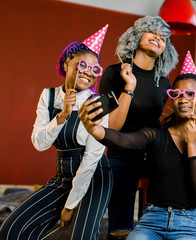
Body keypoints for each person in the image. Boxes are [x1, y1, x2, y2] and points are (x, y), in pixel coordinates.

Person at [79, 69, 196, 240]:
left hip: (187, 224)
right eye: (177, 94)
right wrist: (95, 129)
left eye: (190, 94)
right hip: (151, 220)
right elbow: (124, 141)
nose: (183, 99)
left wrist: (192, 143)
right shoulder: (156, 135)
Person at [0, 25, 112, 240]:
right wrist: (62, 116)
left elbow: (91, 158)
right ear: (66, 63)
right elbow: (39, 143)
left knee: (80, 237)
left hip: (95, 176)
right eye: (83, 65)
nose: (89, 72)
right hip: (63, 176)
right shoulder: (49, 96)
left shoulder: (97, 103)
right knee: (11, 230)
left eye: (95, 69)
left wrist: (70, 205)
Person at [98, 16, 178, 239]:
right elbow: (111, 127)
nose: (158, 38)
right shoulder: (114, 73)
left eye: (163, 38)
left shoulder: (164, 83)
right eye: (151, 31)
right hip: (120, 152)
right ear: (135, 37)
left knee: (150, 226)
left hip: (154, 155)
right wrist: (129, 88)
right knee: (120, 229)